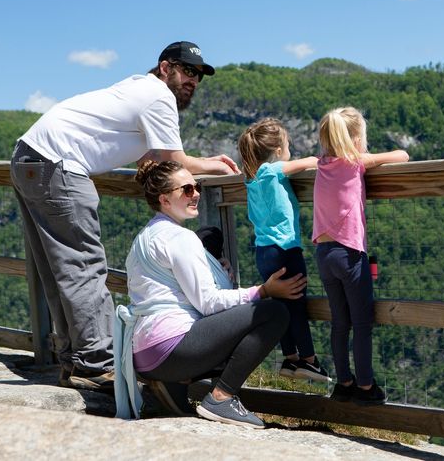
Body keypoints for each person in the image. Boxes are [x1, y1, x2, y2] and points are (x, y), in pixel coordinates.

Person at [10, 41, 239, 392]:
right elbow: (174, 159)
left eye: (198, 75)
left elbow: (149, 157)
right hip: (59, 166)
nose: (192, 80)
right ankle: (97, 365)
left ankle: (74, 360)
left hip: (28, 158)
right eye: (187, 71)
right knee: (83, 267)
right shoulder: (158, 96)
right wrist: (214, 164)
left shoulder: (135, 88)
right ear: (165, 68)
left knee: (56, 269)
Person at [114, 160, 305, 428]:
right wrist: (263, 291)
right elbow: (210, 304)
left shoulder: (145, 237)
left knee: (210, 240)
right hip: (173, 349)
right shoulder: (180, 238)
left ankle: (174, 384)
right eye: (187, 189)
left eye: (197, 186)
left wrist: (214, 269)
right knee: (273, 313)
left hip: (143, 356)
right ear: (165, 200)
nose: (196, 194)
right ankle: (221, 397)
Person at [312, 106, 409, 405]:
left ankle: (343, 383)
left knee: (340, 323)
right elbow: (402, 156)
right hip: (350, 254)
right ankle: (366, 387)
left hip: (323, 253)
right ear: (355, 139)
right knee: (362, 324)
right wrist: (364, 156)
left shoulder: (321, 165)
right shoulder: (355, 163)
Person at [237, 118, 330, 383]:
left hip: (263, 251)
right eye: (288, 145)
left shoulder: (250, 177)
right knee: (297, 305)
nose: (290, 150)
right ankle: (310, 361)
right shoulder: (272, 169)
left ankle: (290, 359)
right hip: (285, 249)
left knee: (282, 306)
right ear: (278, 151)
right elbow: (310, 162)